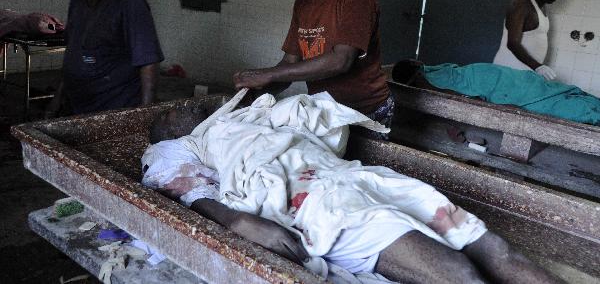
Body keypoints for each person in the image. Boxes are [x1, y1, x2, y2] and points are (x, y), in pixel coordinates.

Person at [141, 89, 563, 284]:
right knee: (458, 274)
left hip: (356, 176)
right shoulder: (177, 146)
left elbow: (313, 117)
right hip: (315, 199)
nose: (178, 105)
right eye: (169, 112)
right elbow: (188, 192)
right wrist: (240, 221)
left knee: (497, 252)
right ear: (164, 132)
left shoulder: (241, 115)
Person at [232, 0, 392, 139]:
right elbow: (289, 63)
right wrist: (255, 95)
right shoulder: (303, 2)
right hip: (324, 113)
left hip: (364, 113)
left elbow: (341, 61)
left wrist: (267, 74)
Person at [392, 60, 600, 125]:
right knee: (558, 97)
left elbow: (458, 99)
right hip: (497, 76)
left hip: (497, 82)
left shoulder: (431, 79)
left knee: (552, 100)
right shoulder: (435, 73)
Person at [493, 0, 569, 81]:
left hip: (525, 73)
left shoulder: (542, 8)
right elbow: (512, 43)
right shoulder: (521, 4)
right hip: (508, 70)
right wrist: (538, 67)